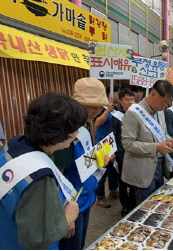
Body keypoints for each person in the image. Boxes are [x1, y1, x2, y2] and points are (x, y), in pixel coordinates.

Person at [0, 93, 82, 249]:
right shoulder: (40, 179)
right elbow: (37, 239)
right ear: (62, 134)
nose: (78, 133)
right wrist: (68, 217)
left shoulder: (14, 143)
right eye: (76, 129)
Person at [54, 78, 110, 250]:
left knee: (81, 245)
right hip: (69, 205)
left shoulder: (85, 125)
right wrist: (63, 216)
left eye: (100, 106)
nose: (96, 111)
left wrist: (101, 158)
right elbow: (58, 175)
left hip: (85, 198)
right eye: (90, 105)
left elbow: (86, 159)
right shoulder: (65, 132)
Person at [121, 80, 173, 206]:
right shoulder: (133, 113)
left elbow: (163, 134)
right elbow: (128, 144)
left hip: (159, 166)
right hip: (142, 170)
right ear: (152, 94)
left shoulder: (160, 112)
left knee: (156, 204)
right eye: (163, 102)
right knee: (143, 207)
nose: (164, 107)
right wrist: (156, 147)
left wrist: (170, 140)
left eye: (167, 104)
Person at [109, 89, 136, 217]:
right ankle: (125, 206)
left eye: (132, 99)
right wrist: (112, 151)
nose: (130, 102)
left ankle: (133, 203)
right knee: (123, 181)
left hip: (135, 152)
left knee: (134, 180)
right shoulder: (116, 116)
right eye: (127, 99)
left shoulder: (137, 114)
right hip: (121, 154)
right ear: (120, 102)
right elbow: (112, 135)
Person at [94, 85, 120, 208]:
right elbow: (97, 123)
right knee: (102, 171)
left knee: (113, 169)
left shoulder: (117, 109)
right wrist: (107, 111)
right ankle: (99, 197)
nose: (119, 95)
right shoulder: (101, 108)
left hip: (113, 143)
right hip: (102, 144)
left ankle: (113, 191)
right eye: (117, 93)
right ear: (110, 93)